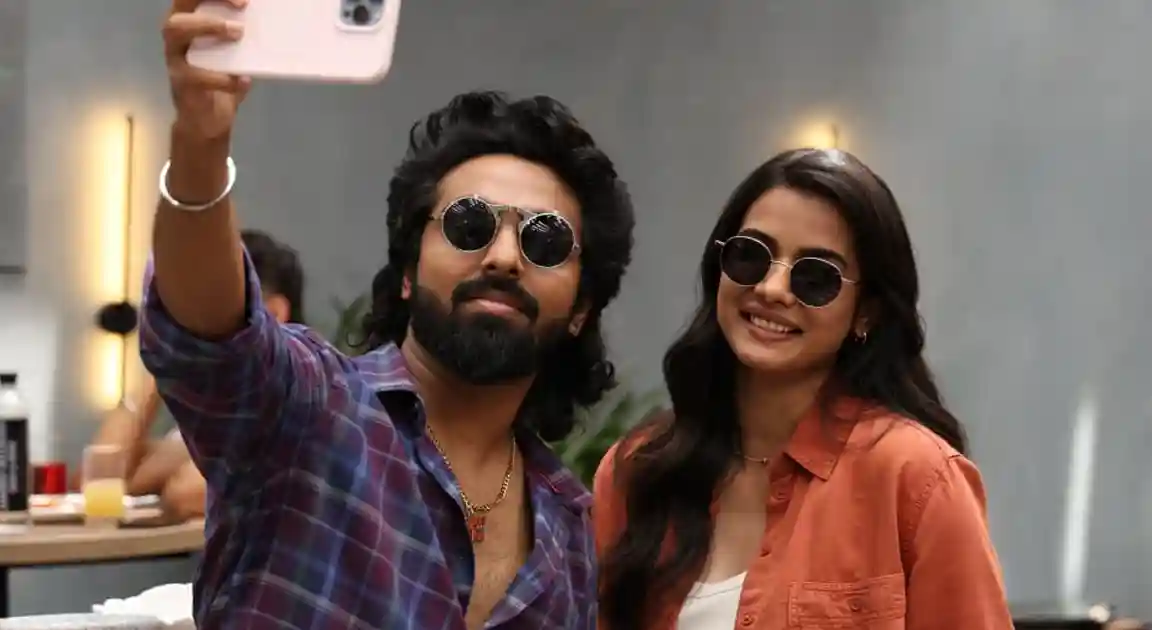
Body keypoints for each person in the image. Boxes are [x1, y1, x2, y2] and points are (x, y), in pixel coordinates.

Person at [140, 2, 634, 628]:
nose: (504, 257)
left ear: (581, 308)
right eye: (469, 225)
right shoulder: (309, 410)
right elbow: (209, 335)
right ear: (407, 271)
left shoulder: (567, 527)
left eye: (546, 241)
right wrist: (200, 144)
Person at [593, 149, 1012, 629]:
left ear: (866, 312)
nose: (772, 289)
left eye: (815, 277)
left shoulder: (917, 478)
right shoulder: (637, 473)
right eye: (751, 255)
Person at [87, 228, 305, 519]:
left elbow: (185, 493)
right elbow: (105, 480)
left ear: (273, 313)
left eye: (213, 303)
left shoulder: (298, 401)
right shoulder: (221, 415)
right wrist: (160, 367)